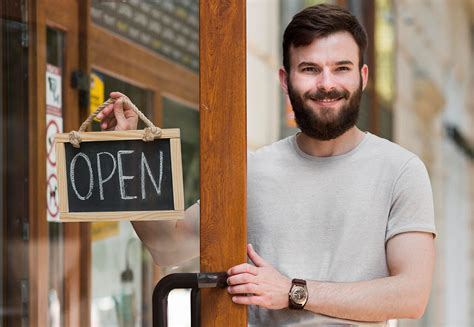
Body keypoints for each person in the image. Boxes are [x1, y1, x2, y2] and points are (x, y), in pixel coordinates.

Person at [97, 4, 436, 326]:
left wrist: (292, 292)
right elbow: (166, 246)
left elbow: (411, 295)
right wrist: (127, 156)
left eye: (341, 68)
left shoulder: (401, 170)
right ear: (285, 80)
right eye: (310, 69)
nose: (327, 84)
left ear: (362, 76)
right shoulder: (251, 171)